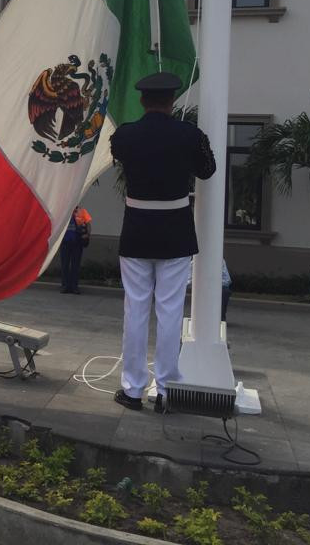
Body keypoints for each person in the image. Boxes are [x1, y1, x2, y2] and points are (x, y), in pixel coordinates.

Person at [109, 71, 216, 413]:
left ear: (143, 101)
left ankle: (133, 389)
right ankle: (168, 389)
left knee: (136, 310)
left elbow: (119, 155)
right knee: (170, 312)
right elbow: (208, 170)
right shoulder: (189, 135)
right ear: (173, 101)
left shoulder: (126, 135)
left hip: (138, 230)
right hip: (175, 230)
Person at [60, 207, 92, 295]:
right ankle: (65, 286)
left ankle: (74, 287)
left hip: (77, 242)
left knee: (75, 265)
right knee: (65, 265)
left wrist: (87, 235)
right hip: (65, 242)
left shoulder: (82, 211)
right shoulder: (64, 210)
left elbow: (88, 223)